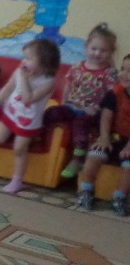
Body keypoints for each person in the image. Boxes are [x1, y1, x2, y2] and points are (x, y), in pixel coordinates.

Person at [0, 37, 61, 194]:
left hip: (28, 121)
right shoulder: (19, 71)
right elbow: (7, 88)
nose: (24, 61)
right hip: (11, 112)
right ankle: (31, 138)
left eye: (29, 58)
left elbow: (28, 99)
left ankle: (17, 181)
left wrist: (25, 80)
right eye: (24, 57)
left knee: (19, 149)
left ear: (45, 62)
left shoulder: (48, 82)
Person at [47, 23, 119, 179]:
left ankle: (77, 159)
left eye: (103, 50)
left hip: (92, 112)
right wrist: (64, 101)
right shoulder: (77, 66)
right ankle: (37, 136)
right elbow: (69, 84)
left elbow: (112, 95)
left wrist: (97, 108)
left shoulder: (109, 73)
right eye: (94, 48)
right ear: (86, 47)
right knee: (51, 112)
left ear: (111, 53)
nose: (97, 53)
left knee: (80, 124)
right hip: (72, 106)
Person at [76, 53, 130, 217]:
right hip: (113, 137)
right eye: (123, 69)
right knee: (94, 155)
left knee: (129, 166)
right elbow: (106, 117)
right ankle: (86, 190)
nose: (124, 74)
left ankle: (119, 197)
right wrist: (105, 137)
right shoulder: (114, 94)